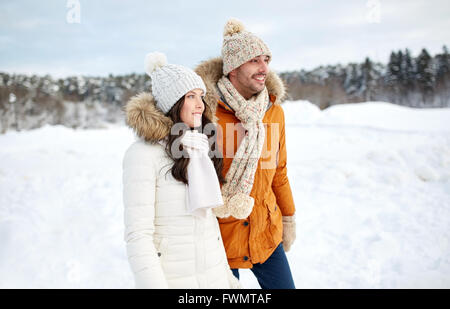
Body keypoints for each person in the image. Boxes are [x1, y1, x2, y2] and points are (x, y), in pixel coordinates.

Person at [122, 52, 241, 289]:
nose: (200, 105)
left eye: (201, 97)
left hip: (214, 280)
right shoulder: (143, 155)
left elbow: (210, 226)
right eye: (191, 96)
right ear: (173, 103)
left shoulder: (201, 147)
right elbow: (139, 236)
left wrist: (229, 281)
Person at [194, 18, 297, 289]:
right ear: (233, 69)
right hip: (220, 240)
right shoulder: (206, 114)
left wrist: (288, 217)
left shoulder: (273, 112)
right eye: (254, 61)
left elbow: (279, 171)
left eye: (266, 59)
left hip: (266, 233)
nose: (264, 68)